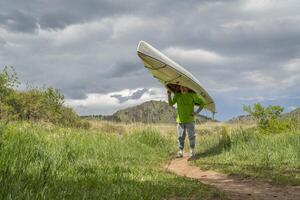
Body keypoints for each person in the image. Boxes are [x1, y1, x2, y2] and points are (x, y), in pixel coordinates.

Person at [168, 85, 207, 159]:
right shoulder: (177, 95)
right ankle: (180, 152)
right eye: (181, 87)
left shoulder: (193, 95)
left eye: (184, 87)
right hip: (180, 120)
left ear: (188, 87)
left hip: (190, 120)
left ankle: (192, 151)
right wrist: (169, 95)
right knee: (180, 137)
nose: (182, 88)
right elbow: (171, 104)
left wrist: (196, 112)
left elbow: (203, 103)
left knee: (191, 137)